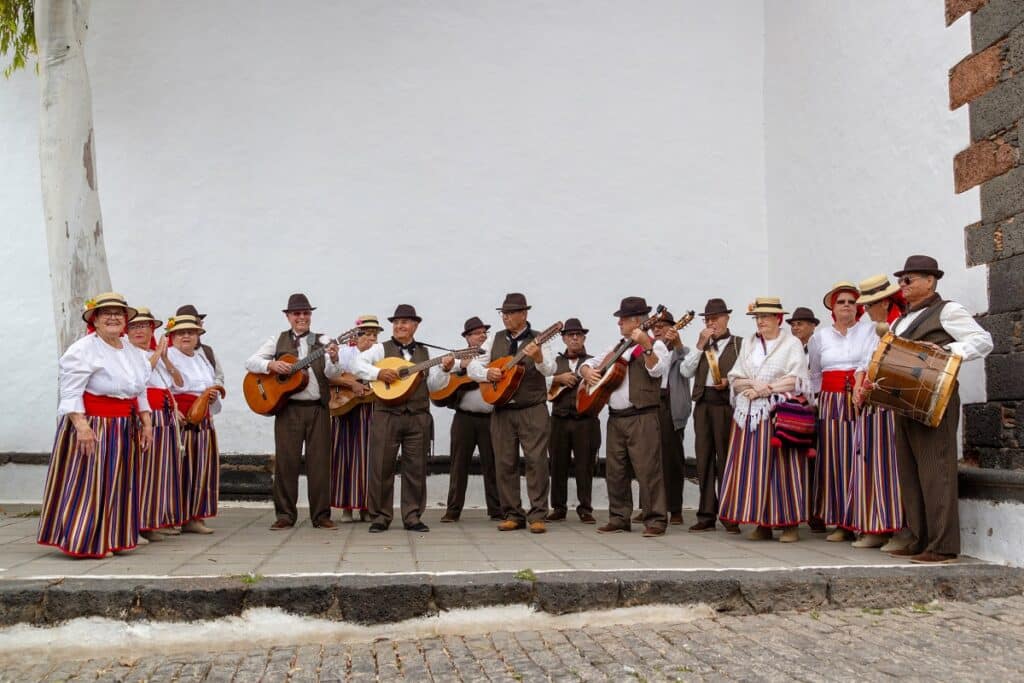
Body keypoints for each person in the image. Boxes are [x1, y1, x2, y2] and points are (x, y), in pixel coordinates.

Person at [866, 256, 992, 564]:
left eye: (909, 280)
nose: (903, 286)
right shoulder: (899, 321)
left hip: (936, 399)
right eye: (901, 280)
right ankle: (919, 537)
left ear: (930, 281)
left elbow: (983, 340)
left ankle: (943, 545)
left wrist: (948, 351)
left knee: (937, 470)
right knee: (910, 472)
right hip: (903, 403)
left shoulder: (948, 311)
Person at [37, 292, 154, 558]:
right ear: (95, 320)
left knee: (118, 482)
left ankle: (111, 537)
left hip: (124, 425)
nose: (113, 317)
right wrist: (81, 426)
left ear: (125, 320)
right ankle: (85, 539)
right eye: (106, 313)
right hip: (94, 425)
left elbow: (140, 389)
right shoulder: (83, 349)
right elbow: (70, 392)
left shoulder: (131, 351)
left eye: (118, 313)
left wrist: (146, 422)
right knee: (90, 482)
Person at [245, 293, 345, 530]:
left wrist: (333, 357)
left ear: (310, 315)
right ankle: (285, 515)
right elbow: (251, 362)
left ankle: (321, 516)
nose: (302, 317)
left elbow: (332, 373)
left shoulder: (324, 340)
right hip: (288, 409)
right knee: (286, 463)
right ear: (288, 317)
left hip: (317, 409)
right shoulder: (276, 341)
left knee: (319, 464)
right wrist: (271, 364)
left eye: (306, 313)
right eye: (297, 313)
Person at [718, 297, 810, 543]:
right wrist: (750, 385)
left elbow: (797, 378)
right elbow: (736, 376)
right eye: (758, 317)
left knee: (782, 469)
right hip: (748, 414)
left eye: (766, 317)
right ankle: (762, 522)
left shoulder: (791, 343)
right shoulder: (749, 343)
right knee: (753, 470)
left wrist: (766, 389)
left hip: (777, 413)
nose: (760, 322)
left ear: (778, 319)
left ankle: (789, 523)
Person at [354, 304, 452, 533]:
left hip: (417, 416)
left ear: (415, 326)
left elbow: (434, 386)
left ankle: (412, 516)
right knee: (381, 465)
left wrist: (446, 370)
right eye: (396, 322)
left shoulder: (426, 354)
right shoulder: (380, 349)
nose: (399, 326)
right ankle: (380, 516)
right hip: (386, 414)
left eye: (405, 322)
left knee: (416, 467)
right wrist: (378, 373)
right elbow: (357, 365)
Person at [467, 293, 556, 534]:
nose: (505, 317)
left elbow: (550, 368)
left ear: (524, 314)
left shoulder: (540, 338)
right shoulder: (494, 339)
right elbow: (474, 364)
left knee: (537, 461)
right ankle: (512, 514)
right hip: (502, 409)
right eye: (503, 313)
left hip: (532, 408)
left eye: (510, 313)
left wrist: (537, 357)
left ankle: (538, 515)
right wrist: (487, 374)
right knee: (505, 462)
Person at [581, 296, 670, 537]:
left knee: (648, 470)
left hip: (643, 416)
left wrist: (648, 347)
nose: (619, 322)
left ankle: (656, 519)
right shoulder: (617, 346)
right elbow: (589, 363)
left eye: (623, 319)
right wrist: (587, 371)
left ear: (638, 321)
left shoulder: (656, 345)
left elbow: (657, 370)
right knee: (615, 470)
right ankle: (619, 517)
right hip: (615, 417)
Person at [807, 282, 874, 543]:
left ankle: (865, 521)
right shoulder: (820, 337)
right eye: (841, 302)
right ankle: (841, 523)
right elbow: (814, 374)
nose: (846, 305)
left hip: (860, 400)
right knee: (835, 460)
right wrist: (815, 402)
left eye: (851, 301)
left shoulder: (868, 331)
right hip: (831, 402)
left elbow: (869, 362)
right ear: (832, 309)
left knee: (862, 459)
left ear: (858, 307)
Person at [847, 274, 907, 550]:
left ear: (884, 302)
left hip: (890, 406)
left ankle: (898, 529)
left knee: (891, 467)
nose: (866, 310)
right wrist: (858, 385)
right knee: (868, 466)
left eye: (870, 305)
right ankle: (874, 526)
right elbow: (862, 363)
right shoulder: (871, 331)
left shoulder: (901, 326)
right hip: (870, 406)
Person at [680, 298, 741, 533]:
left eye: (716, 318)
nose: (712, 323)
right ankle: (706, 514)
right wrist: (699, 344)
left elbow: (748, 371)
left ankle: (729, 513)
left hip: (726, 405)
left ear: (727, 318)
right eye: (708, 319)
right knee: (704, 459)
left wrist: (731, 382)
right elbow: (686, 371)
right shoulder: (702, 346)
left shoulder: (739, 344)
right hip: (703, 404)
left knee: (726, 459)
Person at [127, 308, 185, 540]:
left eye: (145, 326)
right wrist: (156, 354)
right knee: (143, 470)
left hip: (165, 416)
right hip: (146, 417)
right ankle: (137, 523)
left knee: (161, 471)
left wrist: (165, 357)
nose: (140, 330)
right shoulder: (128, 352)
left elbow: (178, 383)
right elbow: (138, 377)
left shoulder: (156, 355)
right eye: (134, 326)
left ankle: (153, 520)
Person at [440, 316, 502, 523]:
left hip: (489, 417)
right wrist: (463, 364)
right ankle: (453, 510)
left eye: (484, 332)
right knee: (458, 464)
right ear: (467, 338)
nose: (482, 335)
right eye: (477, 333)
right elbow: (448, 367)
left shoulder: (493, 355)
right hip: (464, 418)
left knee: (492, 463)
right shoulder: (459, 356)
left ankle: (496, 509)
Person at [166, 313, 223, 534]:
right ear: (172, 336)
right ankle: (174, 517)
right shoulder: (167, 357)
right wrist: (175, 410)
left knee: (201, 469)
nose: (186, 336)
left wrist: (212, 397)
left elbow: (209, 384)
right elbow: (165, 387)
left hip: (203, 417)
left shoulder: (200, 358)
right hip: (183, 419)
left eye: (191, 332)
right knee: (179, 469)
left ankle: (194, 516)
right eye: (181, 333)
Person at [546, 318, 601, 524]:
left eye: (578, 335)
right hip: (559, 419)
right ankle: (558, 508)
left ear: (584, 337)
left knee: (585, 465)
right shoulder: (554, 363)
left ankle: (585, 508)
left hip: (585, 421)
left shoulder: (594, 362)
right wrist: (557, 379)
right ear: (564, 338)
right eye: (571, 335)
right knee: (557, 465)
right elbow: (540, 385)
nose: (575, 338)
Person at [330, 315, 381, 522]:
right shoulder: (344, 353)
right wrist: (352, 385)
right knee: (344, 457)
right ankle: (346, 507)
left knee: (368, 457)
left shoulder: (379, 354)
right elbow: (330, 376)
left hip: (369, 408)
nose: (370, 339)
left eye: (374, 335)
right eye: (367, 334)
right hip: (344, 406)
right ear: (356, 335)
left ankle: (366, 507)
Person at [786, 306, 824, 532]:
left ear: (813, 326)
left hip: (816, 408)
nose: (796, 327)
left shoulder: (818, 347)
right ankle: (796, 509)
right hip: (793, 409)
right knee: (794, 460)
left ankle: (816, 512)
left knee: (817, 461)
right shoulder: (789, 349)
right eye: (793, 324)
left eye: (801, 323)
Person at [651, 312, 691, 526]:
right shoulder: (647, 349)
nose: (657, 330)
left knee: (672, 458)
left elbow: (687, 368)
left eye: (662, 326)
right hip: (649, 404)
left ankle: (674, 508)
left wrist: (677, 344)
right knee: (648, 459)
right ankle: (650, 507)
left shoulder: (681, 351)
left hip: (670, 405)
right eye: (654, 326)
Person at [176, 304, 224, 386]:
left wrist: (214, 389)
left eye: (198, 323)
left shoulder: (207, 351)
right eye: (183, 331)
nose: (186, 335)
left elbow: (219, 376)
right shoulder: (172, 353)